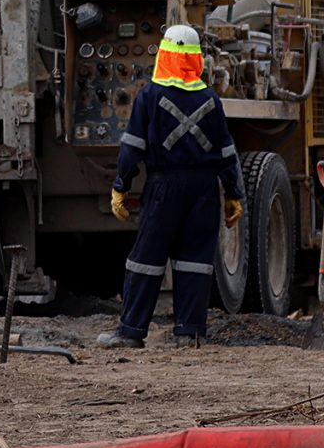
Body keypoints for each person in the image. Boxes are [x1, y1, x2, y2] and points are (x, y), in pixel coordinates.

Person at [99, 25, 243, 350]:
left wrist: (121, 185)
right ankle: (188, 333)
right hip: (205, 190)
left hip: (164, 187)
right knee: (195, 259)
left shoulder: (149, 96)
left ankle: (131, 331)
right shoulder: (211, 100)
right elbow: (225, 153)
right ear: (196, 60)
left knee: (146, 258)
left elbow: (132, 147)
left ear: (163, 55)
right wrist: (234, 194)